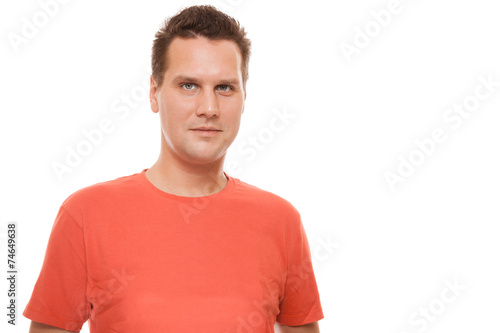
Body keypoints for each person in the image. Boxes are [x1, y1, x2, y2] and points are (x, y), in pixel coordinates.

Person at [23, 5, 324, 332]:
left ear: (244, 97)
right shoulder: (85, 215)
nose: (208, 108)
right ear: (154, 93)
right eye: (188, 85)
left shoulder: (281, 222)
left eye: (224, 87)